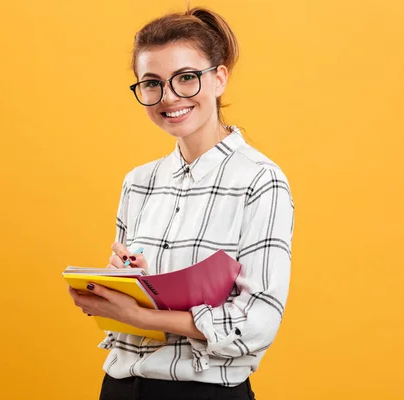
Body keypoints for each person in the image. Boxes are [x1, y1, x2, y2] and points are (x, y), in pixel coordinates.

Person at [69, 6, 294, 400]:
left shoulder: (260, 180)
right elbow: (140, 300)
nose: (169, 97)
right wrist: (126, 284)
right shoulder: (138, 182)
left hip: (203, 392)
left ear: (219, 78)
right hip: (120, 386)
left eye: (186, 78)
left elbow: (258, 321)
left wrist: (140, 315)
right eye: (152, 83)